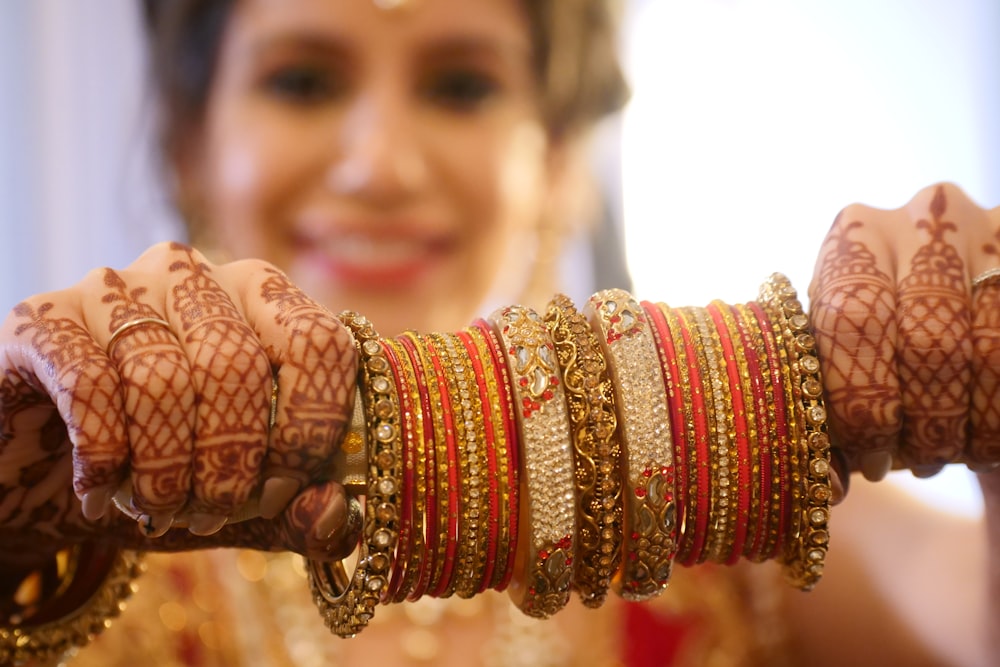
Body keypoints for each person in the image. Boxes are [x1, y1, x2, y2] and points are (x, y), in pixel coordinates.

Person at [0, 0, 998, 665]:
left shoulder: (736, 513)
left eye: (461, 85)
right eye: (302, 81)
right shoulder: (74, 540)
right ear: (192, 141)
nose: (380, 166)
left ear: (558, 153)